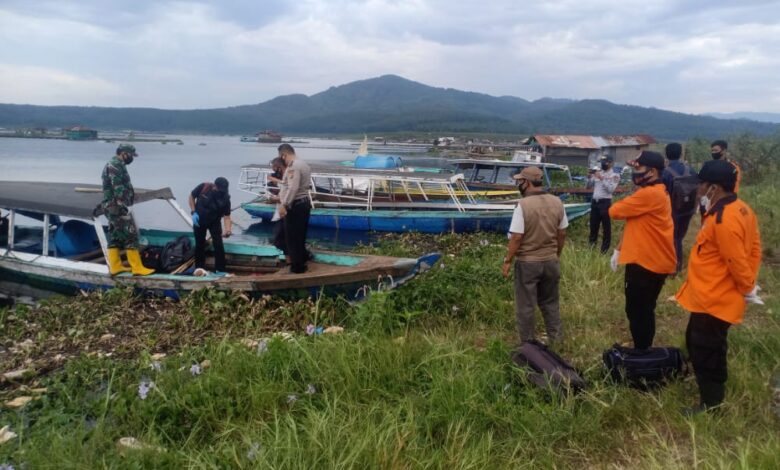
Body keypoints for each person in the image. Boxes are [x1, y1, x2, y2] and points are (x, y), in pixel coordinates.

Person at [676, 159, 762, 415]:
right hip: (709, 294)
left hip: (716, 298)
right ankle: (707, 388)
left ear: (715, 187)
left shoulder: (725, 219)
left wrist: (747, 287)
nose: (699, 189)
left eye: (702, 184)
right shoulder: (740, 209)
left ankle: (711, 404)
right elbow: (755, 247)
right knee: (695, 341)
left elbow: (736, 258)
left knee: (707, 348)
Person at [608, 151, 676, 349]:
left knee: (638, 310)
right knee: (644, 309)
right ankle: (643, 346)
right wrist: (619, 249)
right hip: (653, 260)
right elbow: (634, 222)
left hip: (645, 263)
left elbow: (615, 211)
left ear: (652, 171)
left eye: (638, 168)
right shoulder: (659, 190)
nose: (635, 172)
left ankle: (643, 353)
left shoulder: (649, 194)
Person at [502, 166, 568, 344]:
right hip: (551, 260)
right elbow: (562, 233)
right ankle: (557, 340)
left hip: (528, 263)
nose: (518, 184)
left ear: (527, 183)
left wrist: (508, 260)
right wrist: (556, 253)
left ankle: (528, 345)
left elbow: (516, 237)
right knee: (550, 303)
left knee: (526, 306)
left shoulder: (523, 205)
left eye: (520, 181)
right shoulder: (557, 202)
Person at [100, 144, 153, 276]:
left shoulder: (117, 164)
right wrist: (124, 206)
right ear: (124, 153)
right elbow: (118, 187)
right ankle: (137, 268)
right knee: (131, 235)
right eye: (131, 155)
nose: (131, 158)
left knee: (115, 236)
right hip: (117, 206)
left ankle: (116, 266)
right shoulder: (114, 165)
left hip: (112, 206)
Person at [662, 142, 698, 273]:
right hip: (688, 209)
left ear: (666, 154)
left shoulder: (665, 173)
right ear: (681, 153)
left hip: (673, 211)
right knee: (679, 237)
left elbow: (662, 193)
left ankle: (674, 267)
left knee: (673, 238)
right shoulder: (691, 169)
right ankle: (677, 264)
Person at [277, 144, 312, 273]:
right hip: (303, 203)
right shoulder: (303, 163)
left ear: (283, 155)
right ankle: (302, 260)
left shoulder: (294, 166)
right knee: (299, 235)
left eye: (282, 158)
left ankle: (297, 267)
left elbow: (293, 187)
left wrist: (284, 204)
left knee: (292, 237)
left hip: (296, 204)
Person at [189, 177, 232, 273]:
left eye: (223, 190)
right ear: (215, 186)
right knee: (200, 244)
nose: (221, 192)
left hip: (214, 222)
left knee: (218, 245)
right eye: (219, 189)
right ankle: (200, 269)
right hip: (199, 220)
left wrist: (228, 230)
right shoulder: (204, 187)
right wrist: (193, 212)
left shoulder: (226, 198)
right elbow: (191, 196)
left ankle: (220, 270)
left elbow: (227, 216)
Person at [587, 155, 621, 253]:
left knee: (606, 228)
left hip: (605, 203)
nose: (603, 164)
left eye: (605, 162)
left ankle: (604, 251)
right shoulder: (598, 172)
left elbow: (611, 190)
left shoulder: (615, 175)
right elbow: (588, 187)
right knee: (593, 226)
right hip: (595, 202)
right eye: (602, 161)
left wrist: (602, 178)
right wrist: (589, 177)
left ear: (611, 163)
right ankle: (591, 249)